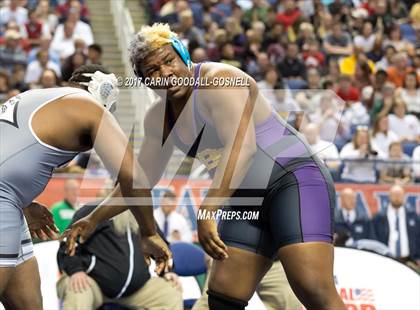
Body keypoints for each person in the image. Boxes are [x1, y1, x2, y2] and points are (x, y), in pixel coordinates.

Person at [66, 23, 345, 310]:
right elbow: (140, 181)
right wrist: (94, 218)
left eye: (168, 61)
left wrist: (209, 207)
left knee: (312, 288)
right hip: (245, 199)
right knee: (223, 297)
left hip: (292, 180)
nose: (165, 74)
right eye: (152, 71)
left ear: (184, 56)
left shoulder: (219, 81)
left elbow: (243, 147)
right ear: (145, 81)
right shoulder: (158, 119)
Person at [0, 64, 171, 309]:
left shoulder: (35, 97)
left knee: (28, 303)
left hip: (9, 200)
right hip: (3, 198)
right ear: (104, 94)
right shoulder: (89, 108)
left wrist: (24, 204)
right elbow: (135, 179)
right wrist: (149, 232)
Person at [57, 203, 183, 310]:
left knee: (170, 292)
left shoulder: (144, 216)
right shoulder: (94, 210)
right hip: (94, 284)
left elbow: (160, 245)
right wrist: (75, 271)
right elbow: (67, 243)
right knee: (78, 290)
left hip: (136, 290)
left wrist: (167, 271)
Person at [372, 185, 420, 264]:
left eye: (399, 195)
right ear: (389, 196)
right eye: (394, 194)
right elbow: (374, 239)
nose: (397, 197)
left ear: (404, 196)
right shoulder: (379, 217)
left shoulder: (413, 216)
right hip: (386, 259)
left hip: (409, 260)